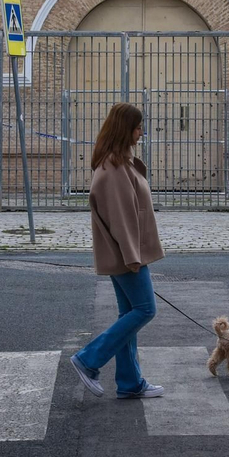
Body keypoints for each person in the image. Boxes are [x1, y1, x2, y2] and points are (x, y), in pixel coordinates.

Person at [70, 102, 165, 400]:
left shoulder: (119, 163)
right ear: (126, 130)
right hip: (126, 254)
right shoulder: (113, 168)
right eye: (137, 127)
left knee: (130, 312)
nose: (141, 132)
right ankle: (89, 359)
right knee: (145, 309)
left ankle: (129, 382)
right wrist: (132, 257)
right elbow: (122, 218)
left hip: (126, 252)